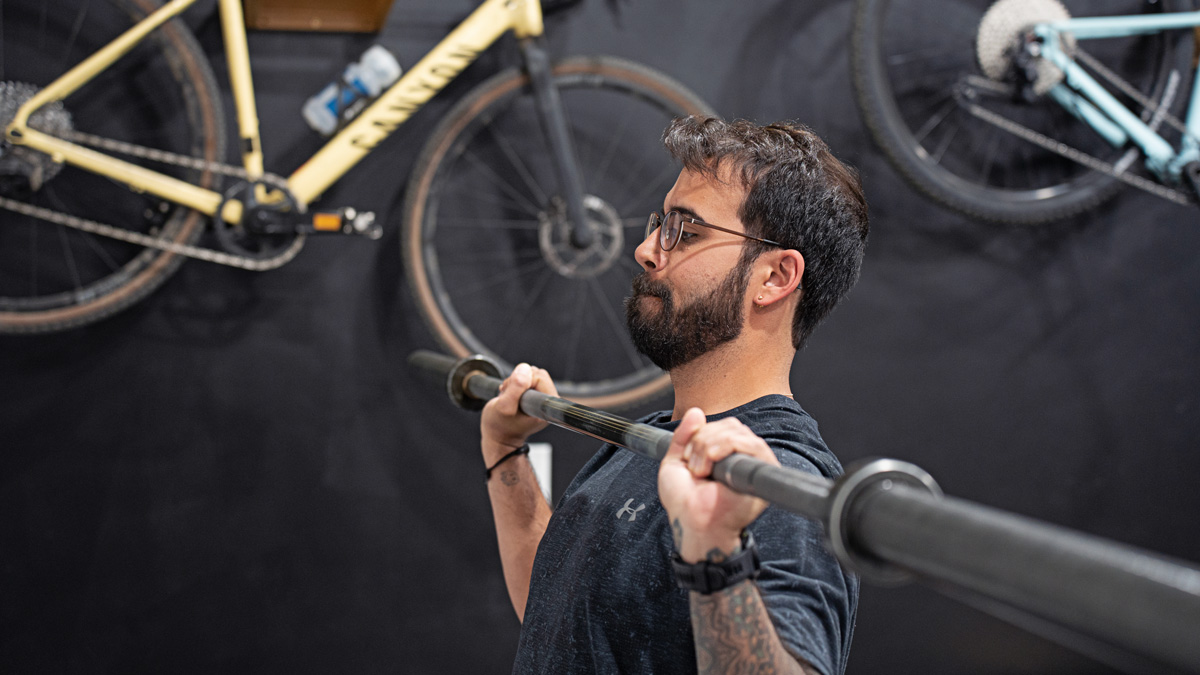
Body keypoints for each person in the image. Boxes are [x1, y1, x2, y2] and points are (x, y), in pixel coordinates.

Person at [479, 116, 868, 675]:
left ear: (775, 277)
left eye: (685, 231)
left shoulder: (782, 482)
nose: (645, 250)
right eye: (660, 224)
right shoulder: (645, 442)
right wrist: (505, 453)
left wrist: (716, 556)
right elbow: (556, 613)